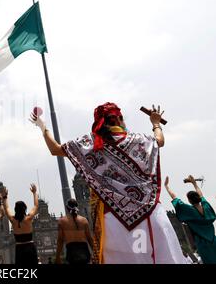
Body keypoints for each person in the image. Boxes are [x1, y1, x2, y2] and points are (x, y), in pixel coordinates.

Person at [31, 103, 185, 264]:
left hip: (115, 221)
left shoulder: (89, 145)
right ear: (119, 119)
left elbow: (55, 149)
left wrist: (42, 126)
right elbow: (159, 140)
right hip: (151, 216)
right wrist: (155, 123)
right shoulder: (139, 140)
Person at [165, 175, 216, 264]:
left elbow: (174, 198)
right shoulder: (206, 207)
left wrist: (167, 186)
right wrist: (194, 183)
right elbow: (201, 194)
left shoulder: (189, 211)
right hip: (214, 241)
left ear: (189, 200)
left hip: (203, 244)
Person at [0, 184, 39, 265]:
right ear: (25, 209)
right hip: (30, 247)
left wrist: (5, 197)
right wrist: (34, 193)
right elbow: (36, 205)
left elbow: (6, 208)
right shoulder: (29, 218)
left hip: (19, 248)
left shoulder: (13, 220)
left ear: (15, 209)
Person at [55, 199, 93, 264]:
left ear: (67, 208)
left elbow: (60, 240)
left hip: (71, 250)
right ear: (77, 207)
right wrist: (95, 252)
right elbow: (89, 238)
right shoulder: (84, 220)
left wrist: (57, 256)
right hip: (84, 250)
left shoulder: (62, 221)